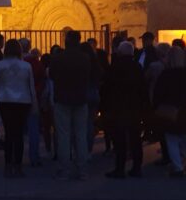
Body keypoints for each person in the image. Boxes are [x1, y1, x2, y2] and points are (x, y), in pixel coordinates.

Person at [48, 30, 93, 180]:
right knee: (81, 135)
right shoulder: (85, 58)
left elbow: (52, 76)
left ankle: (64, 169)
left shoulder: (58, 58)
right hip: (80, 99)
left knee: (63, 135)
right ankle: (83, 170)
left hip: (62, 99)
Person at [0, 39, 39, 178]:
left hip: (5, 100)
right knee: (18, 135)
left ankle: (7, 166)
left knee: (9, 133)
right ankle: (18, 165)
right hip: (23, 101)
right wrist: (34, 104)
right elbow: (31, 86)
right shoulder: (26, 66)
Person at [153, 46, 186, 177]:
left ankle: (177, 167)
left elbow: (158, 94)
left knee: (172, 140)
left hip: (170, 112)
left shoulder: (166, 75)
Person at [102, 41, 149, 178]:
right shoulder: (137, 67)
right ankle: (137, 167)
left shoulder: (114, 67)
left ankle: (120, 168)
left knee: (120, 140)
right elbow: (143, 89)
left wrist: (105, 108)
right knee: (135, 139)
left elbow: (106, 90)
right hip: (134, 109)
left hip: (118, 109)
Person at [21, 39, 46, 166]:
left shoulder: (18, 62)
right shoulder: (35, 62)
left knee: (17, 130)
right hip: (33, 97)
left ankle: (16, 158)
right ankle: (34, 157)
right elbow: (42, 78)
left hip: (18, 99)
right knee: (33, 129)